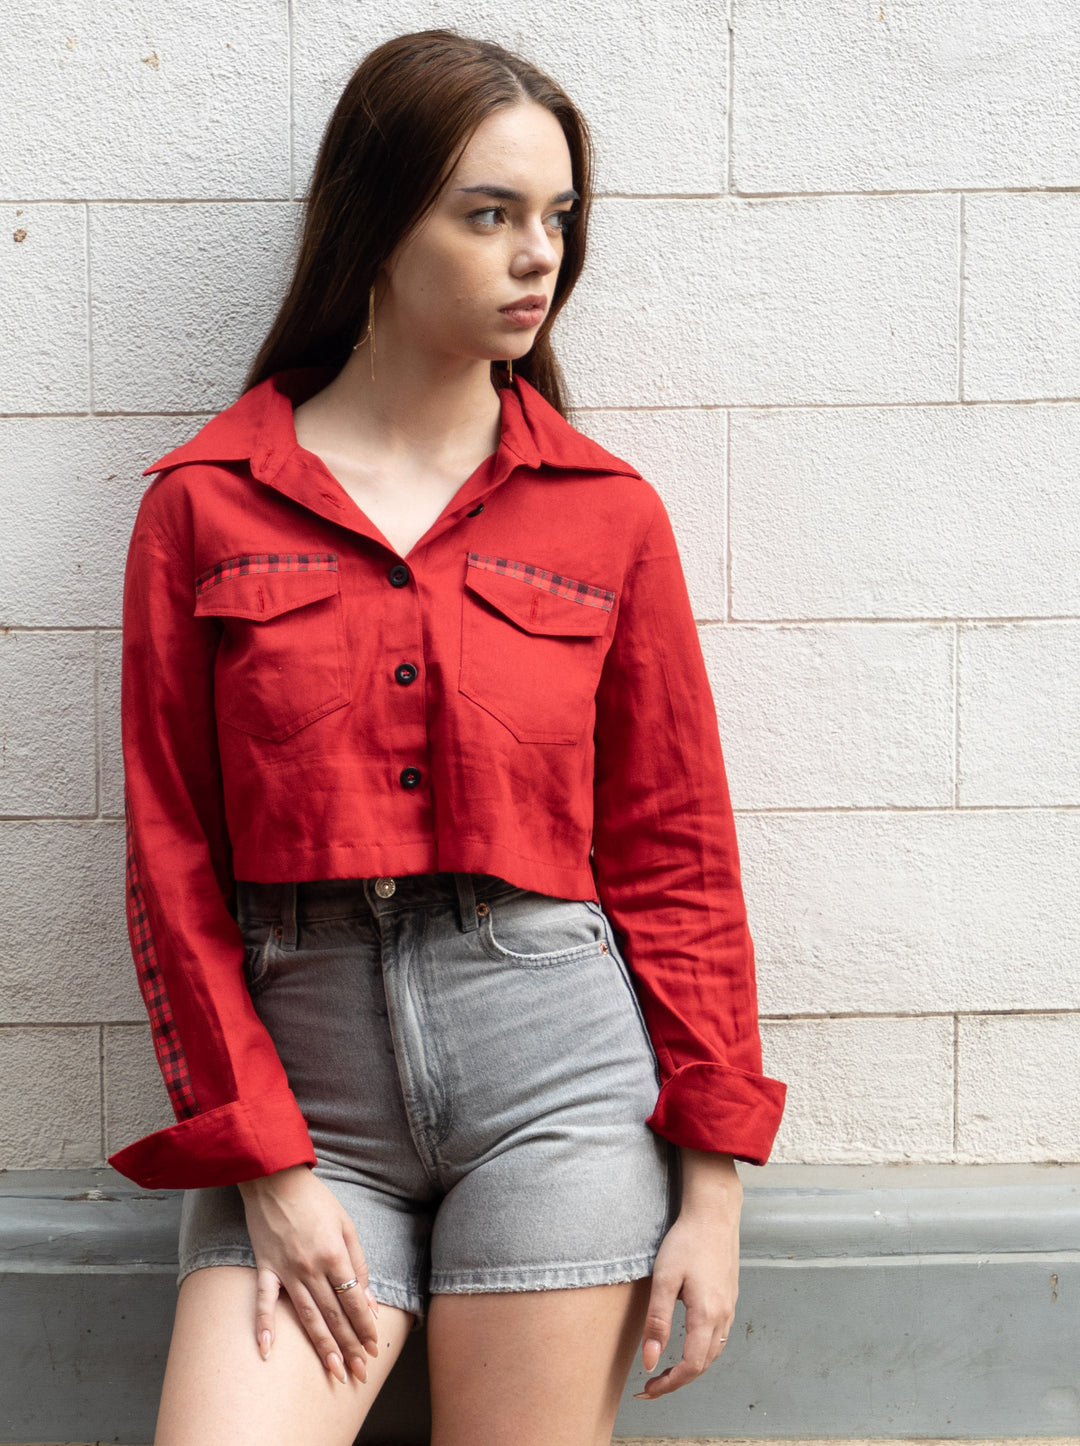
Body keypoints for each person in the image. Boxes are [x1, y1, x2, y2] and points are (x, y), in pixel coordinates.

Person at [108, 28, 788, 1446]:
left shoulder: (607, 513)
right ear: (374, 222)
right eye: (489, 215)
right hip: (311, 1101)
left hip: (555, 1078)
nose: (537, 255)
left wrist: (712, 1185)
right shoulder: (205, 503)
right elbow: (173, 857)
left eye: (557, 218)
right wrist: (269, 1168)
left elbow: (678, 853)